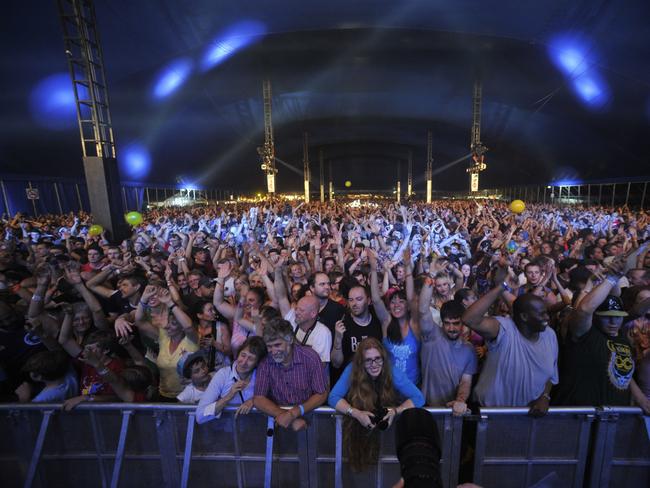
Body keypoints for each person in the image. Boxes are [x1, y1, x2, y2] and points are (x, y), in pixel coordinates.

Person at [553, 257, 650, 412]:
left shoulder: (619, 334)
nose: (613, 322)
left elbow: (620, 369)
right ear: (596, 316)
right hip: (580, 416)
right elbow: (584, 310)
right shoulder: (584, 333)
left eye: (618, 317)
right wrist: (610, 279)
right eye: (607, 316)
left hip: (616, 416)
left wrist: (640, 397)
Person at [462, 268, 558, 415]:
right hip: (491, 415)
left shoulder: (550, 335)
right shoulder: (504, 329)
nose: (547, 318)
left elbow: (551, 375)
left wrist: (545, 396)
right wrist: (502, 287)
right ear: (524, 317)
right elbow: (469, 319)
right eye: (541, 314)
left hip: (529, 416)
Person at [328, 337, 424, 471]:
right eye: (368, 360)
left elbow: (419, 398)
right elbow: (333, 397)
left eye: (378, 358)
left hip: (386, 430)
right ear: (361, 362)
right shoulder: (352, 369)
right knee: (360, 469)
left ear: (383, 358)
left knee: (386, 467)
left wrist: (396, 411)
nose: (374, 364)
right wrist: (357, 414)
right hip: (357, 430)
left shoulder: (391, 370)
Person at [253, 319, 329, 431]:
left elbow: (321, 394)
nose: (273, 351)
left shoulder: (310, 358)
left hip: (311, 421)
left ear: (290, 340)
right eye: (269, 346)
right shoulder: (265, 362)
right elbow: (259, 398)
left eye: (277, 345)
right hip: (278, 422)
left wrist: (294, 413)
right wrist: (287, 416)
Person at [419, 283, 477, 415]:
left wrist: (460, 401)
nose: (451, 328)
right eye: (447, 323)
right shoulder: (432, 335)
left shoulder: (469, 350)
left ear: (463, 322)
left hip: (452, 409)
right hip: (426, 407)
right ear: (442, 322)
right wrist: (429, 281)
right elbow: (423, 310)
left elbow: (466, 382)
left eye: (456, 323)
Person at [368, 249, 421, 385]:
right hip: (388, 387)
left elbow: (411, 297)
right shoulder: (387, 321)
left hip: (412, 388)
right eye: (393, 301)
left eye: (401, 301)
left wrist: (408, 266)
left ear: (407, 306)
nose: (396, 305)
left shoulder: (414, 324)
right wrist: (373, 270)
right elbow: (375, 298)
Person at [196, 336, 267, 424]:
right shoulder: (223, 375)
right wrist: (229, 396)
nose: (244, 362)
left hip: (254, 430)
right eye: (243, 355)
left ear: (257, 363)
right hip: (226, 432)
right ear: (238, 354)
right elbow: (200, 416)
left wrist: (254, 401)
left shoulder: (262, 376)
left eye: (251, 359)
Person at [331, 284, 383, 370]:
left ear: (369, 300)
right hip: (353, 378)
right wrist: (338, 339)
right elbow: (336, 364)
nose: (354, 304)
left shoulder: (378, 323)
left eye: (359, 299)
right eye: (351, 300)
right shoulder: (342, 325)